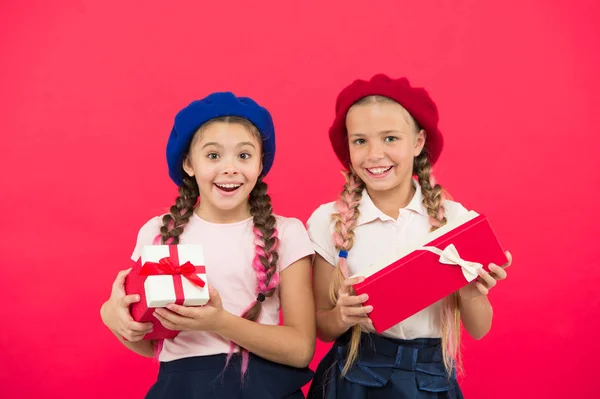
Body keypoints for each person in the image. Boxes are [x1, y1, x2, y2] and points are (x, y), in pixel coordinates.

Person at [306, 74, 512, 398]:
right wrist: (342, 315)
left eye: (390, 138)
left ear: (418, 143)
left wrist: (472, 292)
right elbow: (322, 327)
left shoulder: (456, 221)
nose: (375, 154)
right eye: (360, 140)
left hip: (430, 382)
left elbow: (479, 329)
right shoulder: (327, 221)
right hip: (354, 380)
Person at [101, 92, 316, 398]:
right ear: (189, 163)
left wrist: (219, 322)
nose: (230, 168)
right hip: (182, 387)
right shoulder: (159, 232)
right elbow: (149, 344)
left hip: (264, 388)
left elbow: (300, 349)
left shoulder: (288, 233)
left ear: (260, 164)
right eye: (213, 155)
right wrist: (115, 319)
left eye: (244, 155)